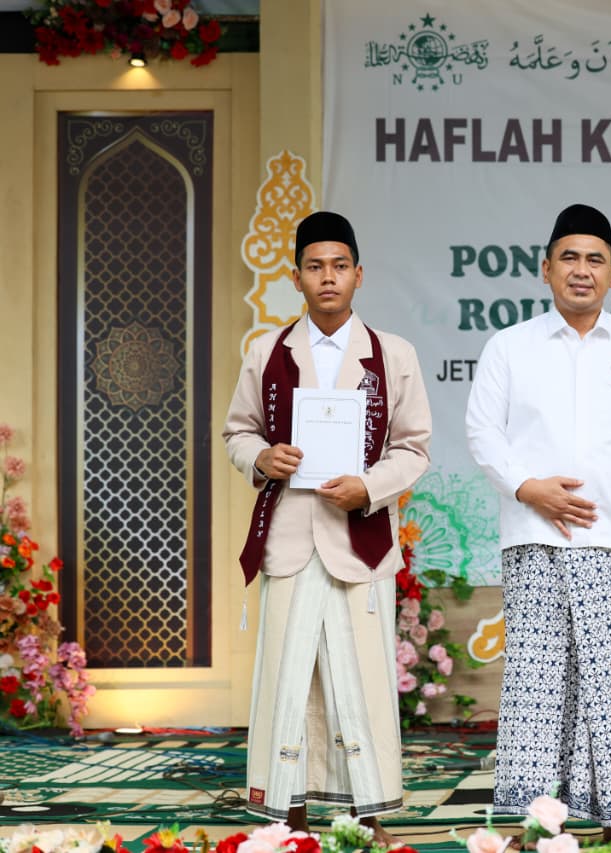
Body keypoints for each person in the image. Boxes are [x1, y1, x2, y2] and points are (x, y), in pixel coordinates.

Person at [465, 203, 611, 838]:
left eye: (596, 260)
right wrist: (528, 488)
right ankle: (536, 818)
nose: (582, 270)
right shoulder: (509, 347)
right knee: (539, 682)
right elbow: (482, 431)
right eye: (569, 257)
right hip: (536, 539)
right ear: (545, 269)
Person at [224, 211, 432, 843]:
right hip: (289, 539)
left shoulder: (392, 354)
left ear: (358, 275)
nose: (328, 277)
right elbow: (238, 433)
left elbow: (413, 448)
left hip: (358, 541)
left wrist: (369, 487)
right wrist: (262, 457)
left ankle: (370, 815)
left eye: (339, 266)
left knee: (362, 681)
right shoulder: (267, 351)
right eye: (315, 267)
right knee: (287, 679)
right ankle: (286, 818)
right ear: (296, 277)